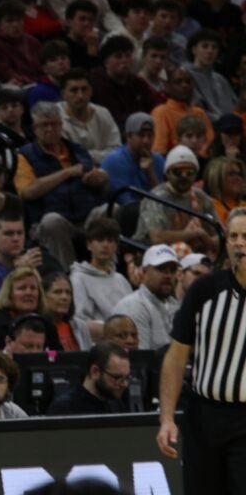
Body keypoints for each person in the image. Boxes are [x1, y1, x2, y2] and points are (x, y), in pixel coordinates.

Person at [157, 207, 246, 494]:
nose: (239, 243)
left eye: (245, 236)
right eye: (233, 236)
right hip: (204, 415)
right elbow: (176, 357)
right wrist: (167, 418)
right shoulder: (204, 290)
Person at [15, 101, 109, 269]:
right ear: (34, 129)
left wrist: (99, 177)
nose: (50, 129)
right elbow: (28, 191)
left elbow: (93, 172)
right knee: (52, 221)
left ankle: (108, 269)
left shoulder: (76, 149)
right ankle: (67, 274)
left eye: (55, 124)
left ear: (61, 125)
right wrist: (67, 172)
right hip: (50, 219)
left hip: (85, 216)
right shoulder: (25, 155)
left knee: (111, 209)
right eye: (44, 125)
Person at [133, 145, 220, 254]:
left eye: (190, 171)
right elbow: (157, 238)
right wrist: (195, 233)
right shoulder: (155, 198)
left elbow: (221, 234)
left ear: (196, 174)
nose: (184, 176)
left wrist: (209, 242)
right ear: (167, 173)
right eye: (178, 171)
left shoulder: (201, 197)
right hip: (155, 255)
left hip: (196, 255)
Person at [112, 244, 181, 350]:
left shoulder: (175, 306)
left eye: (172, 270)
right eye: (161, 269)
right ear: (144, 271)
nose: (168, 276)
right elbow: (141, 356)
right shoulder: (134, 306)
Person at [70, 217, 133, 325]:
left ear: (116, 246)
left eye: (110, 240)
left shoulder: (121, 280)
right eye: (100, 240)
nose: (105, 245)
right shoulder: (78, 279)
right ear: (89, 245)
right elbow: (79, 320)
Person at [0, 266, 61, 352]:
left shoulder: (48, 325)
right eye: (22, 288)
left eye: (33, 288)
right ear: (9, 294)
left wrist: (49, 356)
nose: (29, 293)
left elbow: (56, 354)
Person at [57, 68, 121, 163]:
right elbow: (68, 157)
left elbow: (116, 150)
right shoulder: (56, 117)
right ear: (63, 94)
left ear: (91, 91)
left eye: (84, 89)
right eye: (74, 90)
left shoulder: (103, 113)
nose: (80, 96)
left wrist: (87, 155)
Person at [47, 341, 129, 415]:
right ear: (95, 372)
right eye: (117, 378)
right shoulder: (64, 408)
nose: (125, 384)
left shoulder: (116, 404)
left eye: (126, 377)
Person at [101, 112, 165, 205]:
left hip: (152, 210)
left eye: (150, 135)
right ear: (128, 136)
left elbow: (164, 202)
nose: (146, 140)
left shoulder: (158, 160)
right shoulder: (114, 161)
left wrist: (151, 175)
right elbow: (127, 204)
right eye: (141, 135)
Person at [150, 66, 214, 155]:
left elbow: (210, 144)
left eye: (188, 82)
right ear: (167, 87)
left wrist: (199, 157)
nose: (184, 85)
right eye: (178, 82)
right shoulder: (161, 112)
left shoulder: (199, 113)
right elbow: (159, 150)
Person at [43, 272, 92, 351]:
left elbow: (89, 355)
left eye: (68, 292)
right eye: (58, 292)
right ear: (44, 296)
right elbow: (49, 355)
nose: (64, 297)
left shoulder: (80, 326)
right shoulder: (40, 327)